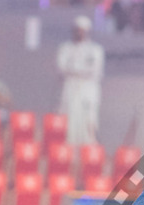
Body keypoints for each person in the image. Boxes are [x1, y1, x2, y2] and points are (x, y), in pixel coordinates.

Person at [57, 15, 104, 146]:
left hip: (88, 90)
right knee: (70, 120)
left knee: (89, 120)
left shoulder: (95, 49)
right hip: (70, 89)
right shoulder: (65, 48)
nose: (79, 33)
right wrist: (82, 70)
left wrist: (74, 69)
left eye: (82, 30)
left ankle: (89, 155)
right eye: (77, 30)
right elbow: (61, 68)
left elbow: (95, 70)